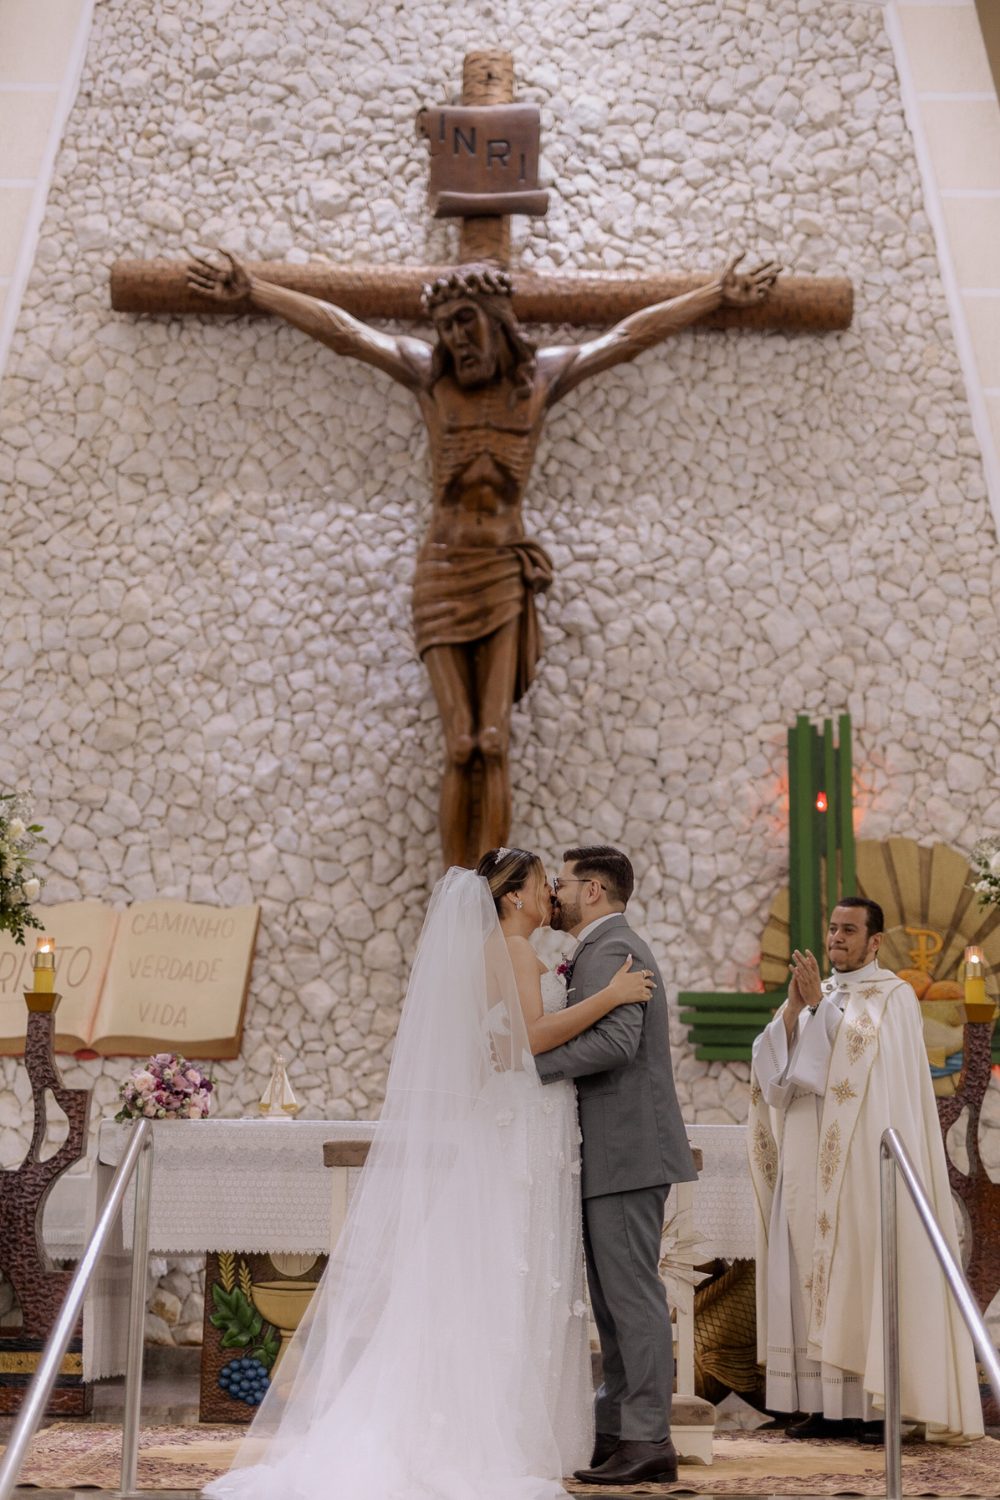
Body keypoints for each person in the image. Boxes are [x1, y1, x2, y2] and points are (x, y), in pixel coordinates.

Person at [186, 253, 777, 867]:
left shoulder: (540, 381)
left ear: (497, 319)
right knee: (459, 744)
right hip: (443, 570)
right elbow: (345, 333)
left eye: (465, 320)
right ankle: (455, 892)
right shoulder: (429, 379)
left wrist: (715, 294)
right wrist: (254, 290)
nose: (455, 338)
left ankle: (489, 891)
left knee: (493, 743)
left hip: (501, 572)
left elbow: (626, 338)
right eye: (444, 326)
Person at [204, 852, 652, 1500]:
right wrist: (610, 996)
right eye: (536, 885)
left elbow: (498, 1048)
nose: (548, 894)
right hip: (525, 1125)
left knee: (506, 1269)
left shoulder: (493, 952)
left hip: (514, 1119)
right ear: (512, 898)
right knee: (519, 1267)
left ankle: (500, 1427)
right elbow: (529, 1038)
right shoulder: (517, 951)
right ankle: (502, 1436)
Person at [749, 897, 983, 1444]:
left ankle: (878, 1408)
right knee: (804, 1271)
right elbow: (776, 1076)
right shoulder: (819, 994)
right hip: (807, 1160)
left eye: (849, 931)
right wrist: (793, 1012)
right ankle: (823, 1404)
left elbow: (860, 1065)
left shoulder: (894, 996)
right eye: (832, 928)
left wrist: (815, 1010)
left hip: (859, 1166)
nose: (837, 938)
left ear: (875, 942)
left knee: (860, 1270)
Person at [533, 846, 698, 1487]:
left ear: (594, 889)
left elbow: (616, 1042)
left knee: (632, 1301)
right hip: (612, 1149)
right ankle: (618, 1430)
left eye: (564, 882)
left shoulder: (609, 950)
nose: (555, 891)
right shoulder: (600, 948)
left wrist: (530, 1067)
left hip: (627, 1149)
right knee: (613, 1304)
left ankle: (648, 1438)